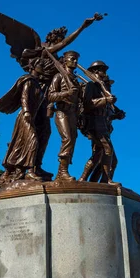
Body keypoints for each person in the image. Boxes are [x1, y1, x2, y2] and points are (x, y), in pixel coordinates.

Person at [0, 61, 48, 182]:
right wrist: (27, 111)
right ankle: (30, 171)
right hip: (25, 116)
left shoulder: (39, 85)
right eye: (41, 66)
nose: (43, 68)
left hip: (32, 116)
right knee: (32, 140)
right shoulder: (29, 80)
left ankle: (14, 167)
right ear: (33, 66)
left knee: (21, 142)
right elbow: (24, 96)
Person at [78, 61, 125, 185]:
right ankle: (106, 180)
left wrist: (116, 115)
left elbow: (106, 112)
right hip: (94, 122)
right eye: (102, 70)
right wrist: (105, 100)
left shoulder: (101, 88)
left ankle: (84, 180)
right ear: (95, 71)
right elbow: (87, 105)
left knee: (102, 155)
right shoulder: (91, 86)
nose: (104, 73)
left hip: (103, 124)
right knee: (107, 150)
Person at [48, 51, 83, 182]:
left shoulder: (75, 80)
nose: (75, 62)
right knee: (67, 139)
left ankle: (62, 172)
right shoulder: (58, 76)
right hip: (62, 112)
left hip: (73, 114)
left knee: (72, 140)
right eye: (72, 59)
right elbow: (50, 95)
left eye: (76, 59)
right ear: (65, 61)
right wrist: (67, 93)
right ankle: (63, 172)